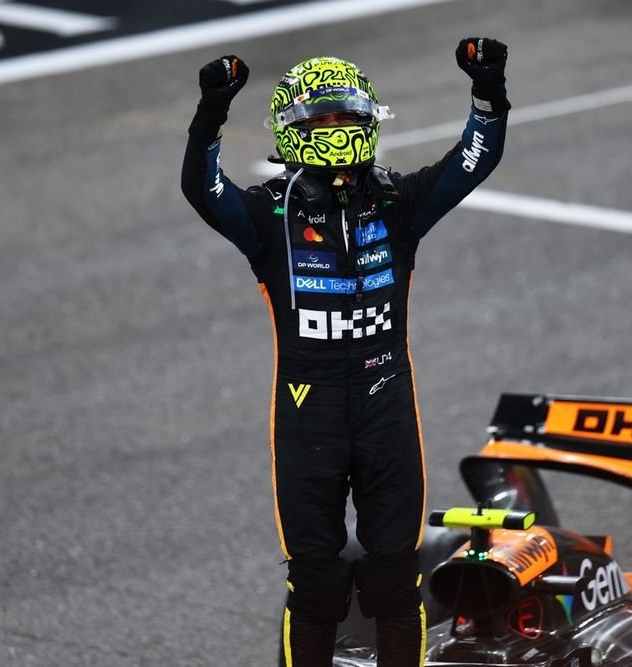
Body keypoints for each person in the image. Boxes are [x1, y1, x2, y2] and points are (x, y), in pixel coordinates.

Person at [181, 37, 509, 667]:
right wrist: (211, 111)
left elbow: (475, 159)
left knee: (395, 581)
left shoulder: (399, 204)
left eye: (348, 116)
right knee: (316, 588)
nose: (337, 128)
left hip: (388, 410)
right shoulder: (267, 216)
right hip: (309, 418)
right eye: (323, 118)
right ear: (294, 129)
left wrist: (488, 91)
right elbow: (202, 188)